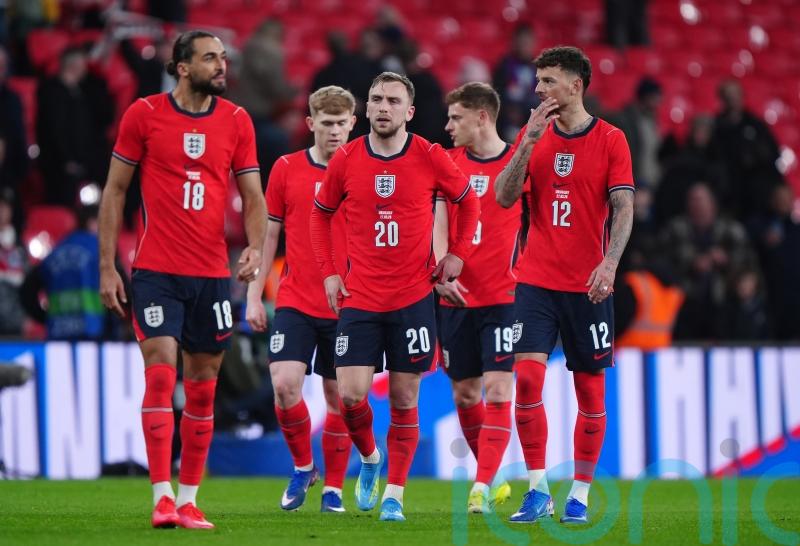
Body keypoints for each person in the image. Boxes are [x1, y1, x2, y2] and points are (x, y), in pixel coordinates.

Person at [98, 30, 266, 529]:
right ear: (182, 66)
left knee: (202, 386)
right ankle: (161, 496)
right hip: (155, 270)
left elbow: (254, 197)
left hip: (212, 275)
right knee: (160, 370)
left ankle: (190, 499)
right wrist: (108, 265)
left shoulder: (237, 121)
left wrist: (255, 246)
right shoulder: (144, 115)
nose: (221, 65)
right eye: (210, 58)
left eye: (223, 57)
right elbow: (114, 192)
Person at [310, 72, 480, 522]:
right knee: (349, 395)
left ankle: (395, 496)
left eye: (392, 101)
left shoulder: (429, 156)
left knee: (405, 399)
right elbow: (319, 216)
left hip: (412, 298)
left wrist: (458, 254)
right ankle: (369, 458)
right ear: (367, 107)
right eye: (375, 99)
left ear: (409, 112)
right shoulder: (346, 159)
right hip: (361, 297)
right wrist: (329, 274)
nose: (382, 107)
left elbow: (470, 201)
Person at [495, 46, 635, 524]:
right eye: (538, 81)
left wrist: (610, 264)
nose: (539, 89)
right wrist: (528, 142)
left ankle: (579, 493)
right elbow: (503, 196)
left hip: (588, 286)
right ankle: (537, 490)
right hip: (535, 280)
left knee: (590, 394)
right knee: (528, 380)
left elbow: (623, 208)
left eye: (549, 81)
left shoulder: (612, 139)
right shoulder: (531, 136)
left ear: (576, 85)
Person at [245, 85, 357, 513]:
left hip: (346, 303)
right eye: (325, 124)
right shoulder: (287, 168)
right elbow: (268, 236)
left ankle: (333, 490)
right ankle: (302, 466)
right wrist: (254, 297)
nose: (333, 132)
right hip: (294, 298)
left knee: (339, 399)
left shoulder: (363, 170)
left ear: (352, 124)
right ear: (310, 124)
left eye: (340, 124)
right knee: (285, 386)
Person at [433, 82, 521, 513]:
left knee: (499, 389)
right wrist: (438, 273)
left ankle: (480, 487)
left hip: (505, 298)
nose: (448, 126)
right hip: (455, 298)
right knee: (465, 395)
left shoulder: (516, 165)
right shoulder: (446, 164)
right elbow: (436, 224)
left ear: (482, 117)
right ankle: (497, 475)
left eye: (456, 118)